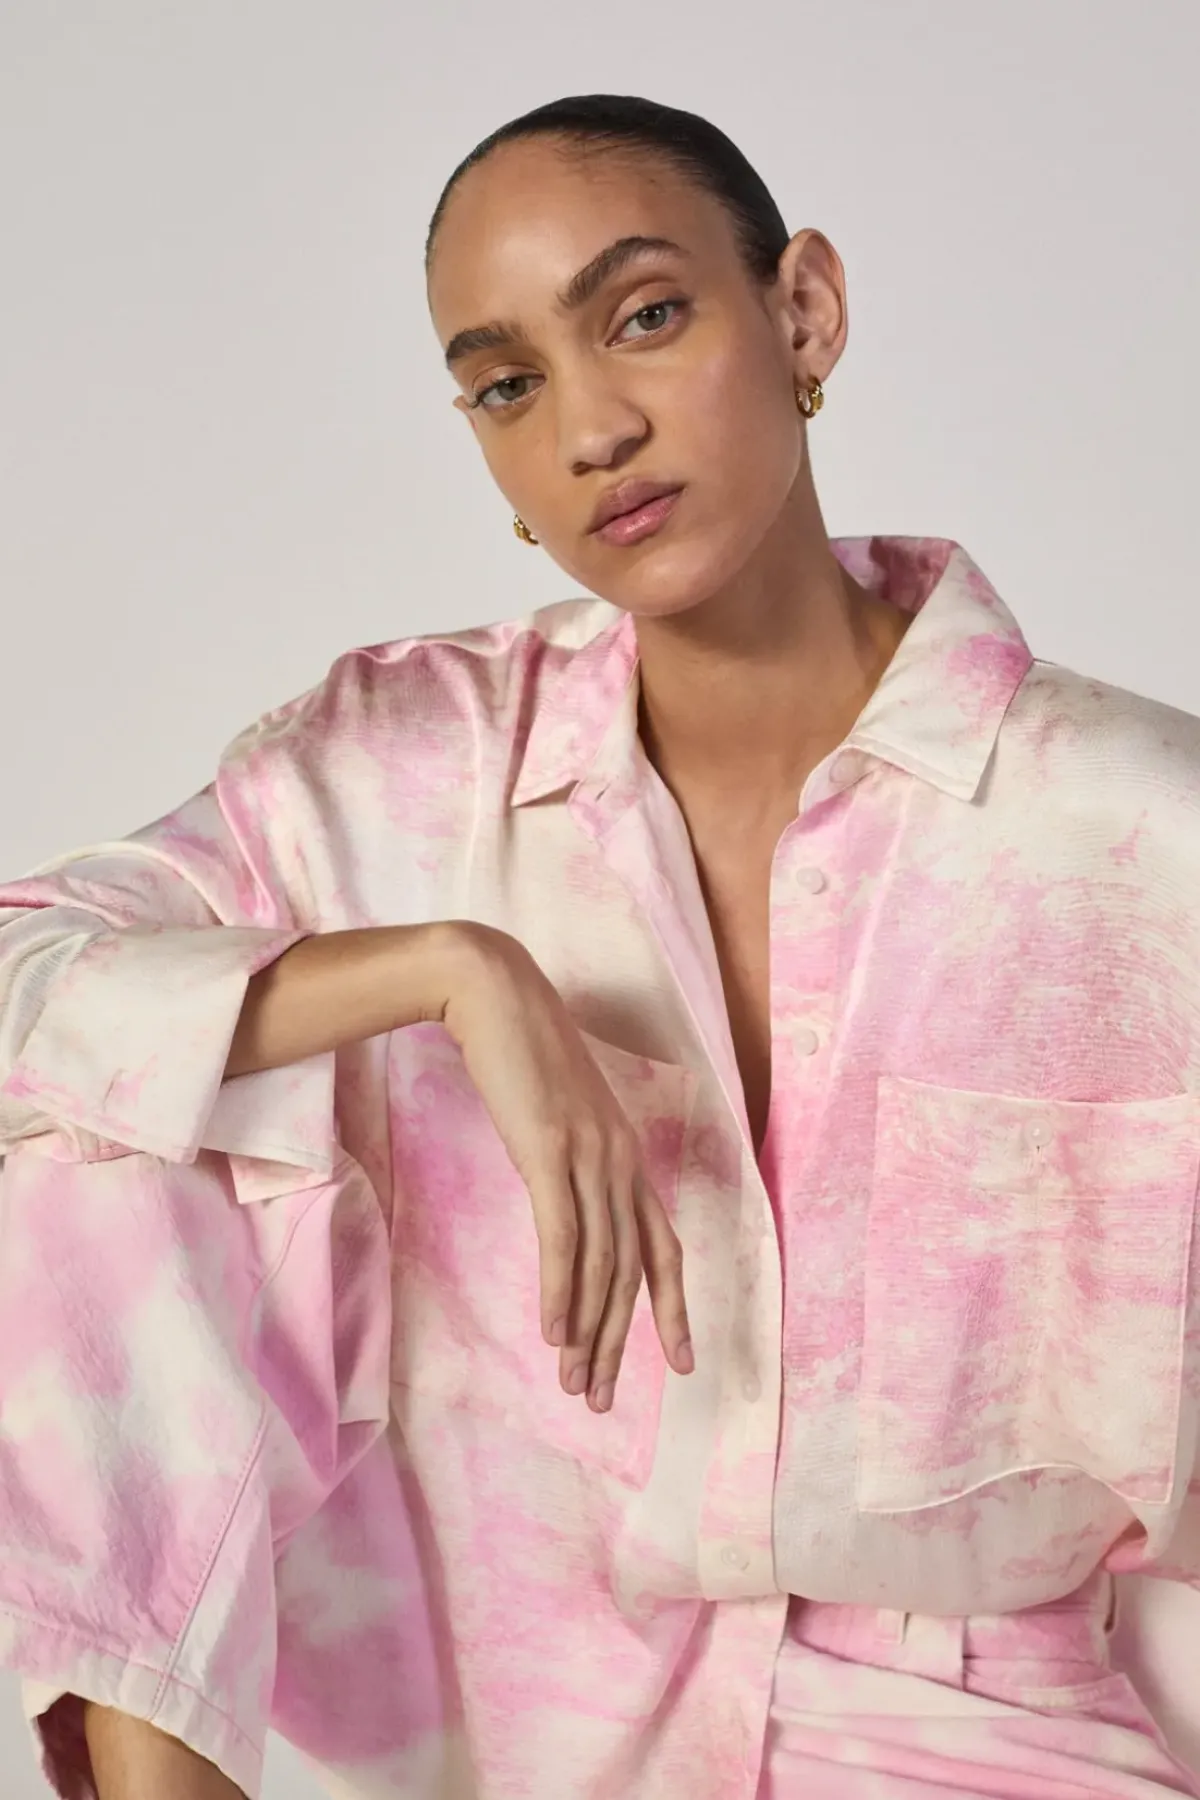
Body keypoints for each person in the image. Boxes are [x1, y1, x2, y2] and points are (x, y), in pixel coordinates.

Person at [2, 89, 1200, 1800]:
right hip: (536, 1725)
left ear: (804, 314)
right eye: (507, 386)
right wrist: (453, 972)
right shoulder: (394, 773)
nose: (591, 430)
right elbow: (27, 983)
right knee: (102, 1131)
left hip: (980, 1732)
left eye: (644, 317)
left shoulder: (1143, 832)